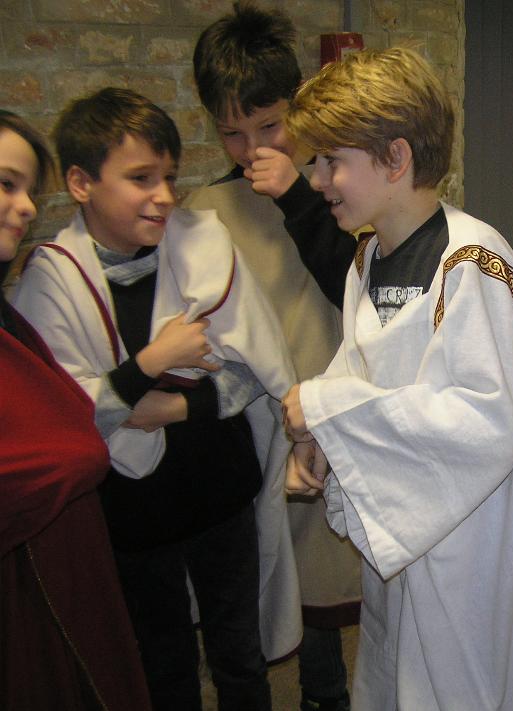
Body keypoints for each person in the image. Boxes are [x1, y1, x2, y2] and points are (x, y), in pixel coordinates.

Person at [280, 46, 513, 711]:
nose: (316, 179)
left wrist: (327, 409)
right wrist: (323, 440)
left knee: (464, 679)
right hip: (405, 520)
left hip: (475, 540)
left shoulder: (474, 264)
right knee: (402, 666)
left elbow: (487, 422)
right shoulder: (368, 257)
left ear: (395, 158)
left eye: (332, 161)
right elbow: (361, 366)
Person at [12, 88, 302, 711]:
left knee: (239, 655)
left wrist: (169, 407)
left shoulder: (203, 244)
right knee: (161, 662)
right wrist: (153, 362)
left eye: (169, 177)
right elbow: (60, 421)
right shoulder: (51, 281)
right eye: (141, 178)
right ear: (81, 184)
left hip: (221, 491)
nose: (165, 196)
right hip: (134, 516)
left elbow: (255, 372)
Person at [187, 5, 360, 708]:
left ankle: (328, 693)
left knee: (323, 580)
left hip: (328, 409)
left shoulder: (337, 188)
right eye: (232, 132)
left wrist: (297, 197)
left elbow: (355, 287)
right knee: (259, 575)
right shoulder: (207, 206)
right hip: (252, 425)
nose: (251, 147)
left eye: (269, 126)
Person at [0, 110, 152, 711]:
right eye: (6, 184)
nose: (25, 207)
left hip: (59, 571)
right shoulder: (51, 276)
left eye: (29, 192)